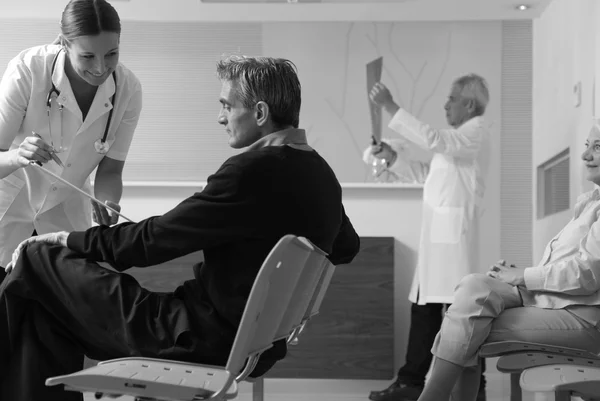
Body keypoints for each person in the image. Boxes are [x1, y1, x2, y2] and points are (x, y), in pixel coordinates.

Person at [1, 55, 361, 401]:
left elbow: (151, 243)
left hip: (191, 337)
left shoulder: (250, 172)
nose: (220, 117)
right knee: (42, 306)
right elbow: (346, 247)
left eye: (226, 106)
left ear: (260, 112)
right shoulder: (321, 175)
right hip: (252, 345)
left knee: (36, 256)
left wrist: (68, 237)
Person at [415, 120, 600, 401]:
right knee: (474, 286)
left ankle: (431, 397)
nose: (586, 155)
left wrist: (523, 276)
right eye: (587, 145)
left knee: (465, 324)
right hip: (553, 301)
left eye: (598, 148)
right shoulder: (591, 203)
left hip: (581, 316)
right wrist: (516, 274)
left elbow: (586, 274)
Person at [365, 74, 491, 401]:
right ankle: (411, 382)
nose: (445, 104)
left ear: (469, 104)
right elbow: (426, 174)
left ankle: (473, 389)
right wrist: (391, 157)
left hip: (454, 246)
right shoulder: (455, 144)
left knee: (460, 319)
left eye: (451, 98)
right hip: (438, 245)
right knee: (424, 310)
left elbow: (436, 140)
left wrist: (390, 106)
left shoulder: (475, 131)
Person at [0, 0, 143, 273]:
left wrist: (107, 201)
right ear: (65, 44)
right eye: (88, 56)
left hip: (65, 213)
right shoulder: (28, 70)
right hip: (8, 208)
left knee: (59, 305)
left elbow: (111, 170)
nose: (101, 68)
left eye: (111, 54)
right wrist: (18, 156)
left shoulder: (129, 90)